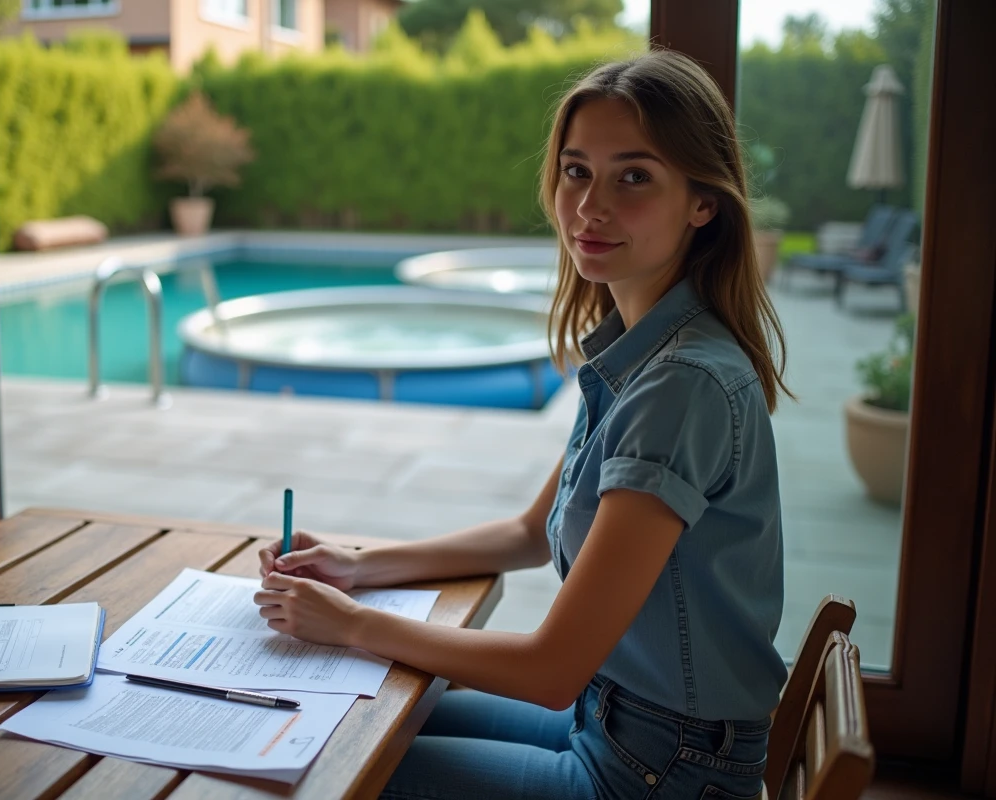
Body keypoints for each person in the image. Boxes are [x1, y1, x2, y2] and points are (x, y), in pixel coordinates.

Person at [253, 49, 793, 800]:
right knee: (372, 712)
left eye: (633, 176)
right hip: (615, 724)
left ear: (703, 202)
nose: (589, 206)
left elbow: (549, 669)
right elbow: (528, 535)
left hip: (659, 773)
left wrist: (349, 624)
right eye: (577, 171)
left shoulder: (682, 385)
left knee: (333, 766)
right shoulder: (642, 352)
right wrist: (356, 565)